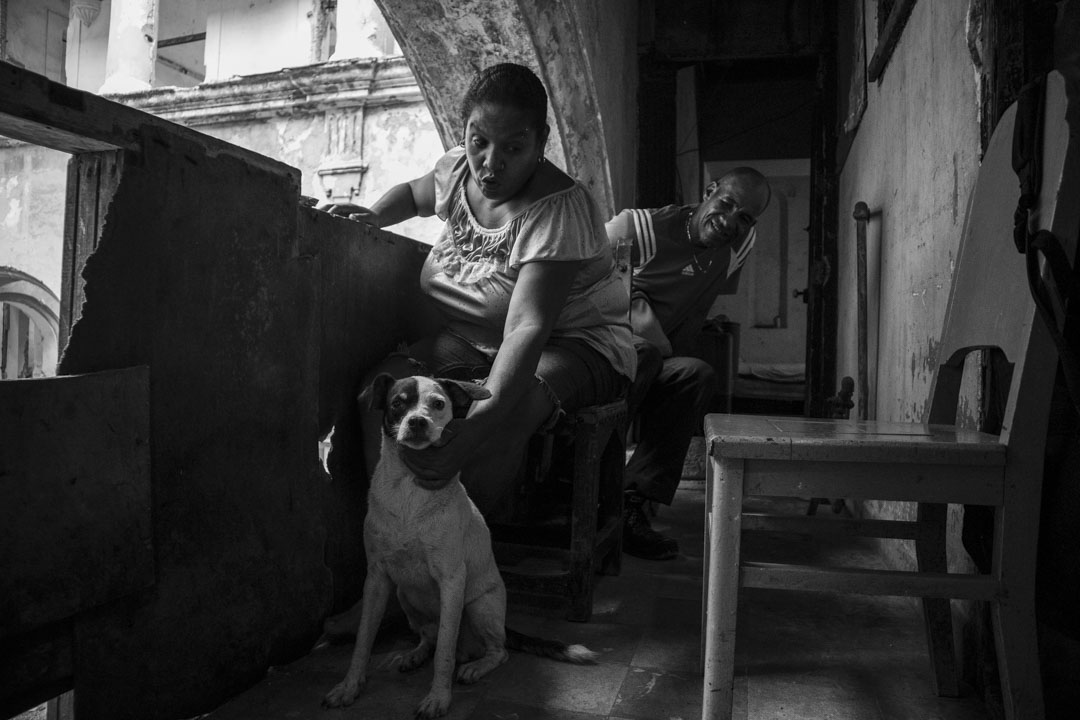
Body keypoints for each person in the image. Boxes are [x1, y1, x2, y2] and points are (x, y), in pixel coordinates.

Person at [322, 62, 636, 522]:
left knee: (505, 416)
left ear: (541, 141)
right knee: (379, 392)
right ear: (465, 132)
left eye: (513, 147)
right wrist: (375, 216)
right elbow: (414, 194)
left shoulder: (558, 209)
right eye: (479, 141)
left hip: (574, 342)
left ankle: (462, 545)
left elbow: (527, 328)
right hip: (475, 337)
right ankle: (392, 530)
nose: (491, 162)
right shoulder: (456, 170)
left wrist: (475, 430)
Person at [606, 168, 771, 560]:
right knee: (643, 353)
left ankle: (633, 501)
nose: (730, 222)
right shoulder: (635, 227)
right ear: (709, 192)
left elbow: (701, 301)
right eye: (726, 204)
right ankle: (592, 487)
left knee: (695, 374)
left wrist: (672, 352)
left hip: (656, 357)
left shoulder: (739, 245)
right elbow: (583, 289)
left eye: (744, 218)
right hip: (605, 352)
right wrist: (641, 317)